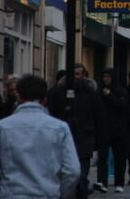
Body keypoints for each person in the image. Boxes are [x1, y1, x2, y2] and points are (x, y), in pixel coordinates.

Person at [0, 74, 80, 198]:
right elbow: (73, 171)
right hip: (47, 193)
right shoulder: (60, 128)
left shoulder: (2, 127)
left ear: (18, 96)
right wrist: (60, 193)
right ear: (44, 99)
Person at [47, 64, 105, 199]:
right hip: (62, 140)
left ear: (84, 75)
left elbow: (99, 117)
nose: (76, 77)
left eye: (78, 74)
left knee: (81, 175)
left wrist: (98, 141)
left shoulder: (90, 93)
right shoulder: (57, 92)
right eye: (73, 74)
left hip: (84, 139)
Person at [95, 68, 128, 193]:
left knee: (119, 157)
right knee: (102, 157)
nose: (106, 79)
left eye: (108, 76)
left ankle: (119, 182)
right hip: (104, 129)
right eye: (104, 76)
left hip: (118, 130)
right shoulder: (99, 92)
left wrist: (110, 96)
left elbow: (122, 107)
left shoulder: (120, 92)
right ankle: (102, 181)